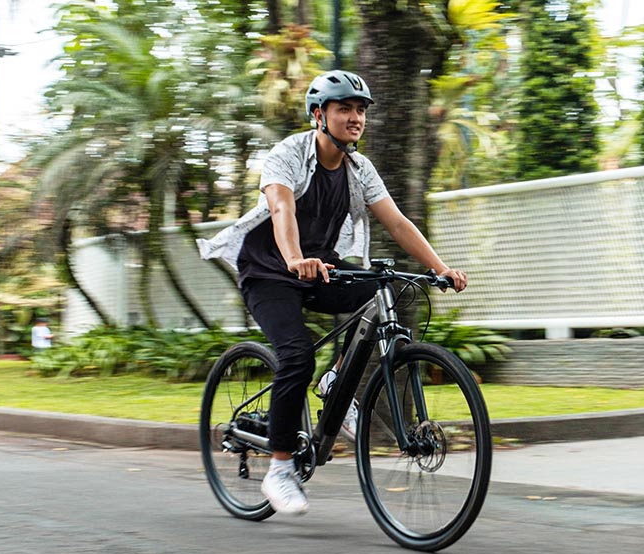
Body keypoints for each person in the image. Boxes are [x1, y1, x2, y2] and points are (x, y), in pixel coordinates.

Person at [198, 70, 467, 515]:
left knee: (383, 288)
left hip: (320, 268)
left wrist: (440, 268)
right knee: (296, 355)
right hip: (269, 273)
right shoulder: (288, 154)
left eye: (361, 110)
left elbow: (397, 222)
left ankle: (335, 381)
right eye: (345, 108)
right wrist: (293, 257)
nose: (355, 117)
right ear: (319, 115)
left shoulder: (359, 169)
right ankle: (279, 468)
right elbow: (281, 207)